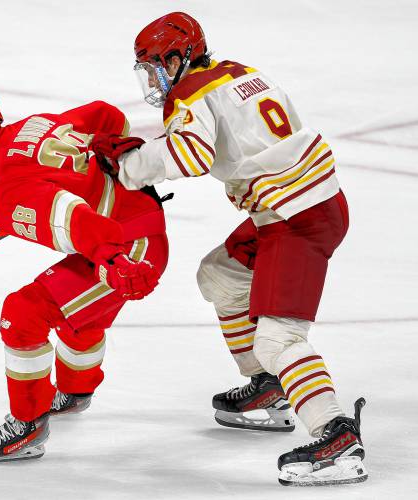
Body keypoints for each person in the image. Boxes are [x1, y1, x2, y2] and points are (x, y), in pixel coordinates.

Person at [90, 12, 367, 486]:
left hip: (295, 221)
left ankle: (336, 436)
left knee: (279, 339)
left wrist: (129, 166)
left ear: (179, 57)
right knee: (219, 275)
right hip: (308, 204)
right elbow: (222, 135)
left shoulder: (187, 93)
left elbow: (189, 154)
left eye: (157, 66)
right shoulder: (239, 72)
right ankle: (270, 386)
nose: (155, 79)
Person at [0, 88, 169, 463]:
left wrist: (109, 258)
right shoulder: (28, 127)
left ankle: (28, 425)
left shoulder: (3, 193)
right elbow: (104, 115)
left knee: (22, 314)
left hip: (128, 249)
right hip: (129, 223)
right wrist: (114, 156)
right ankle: (75, 391)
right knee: (73, 309)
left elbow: (71, 215)